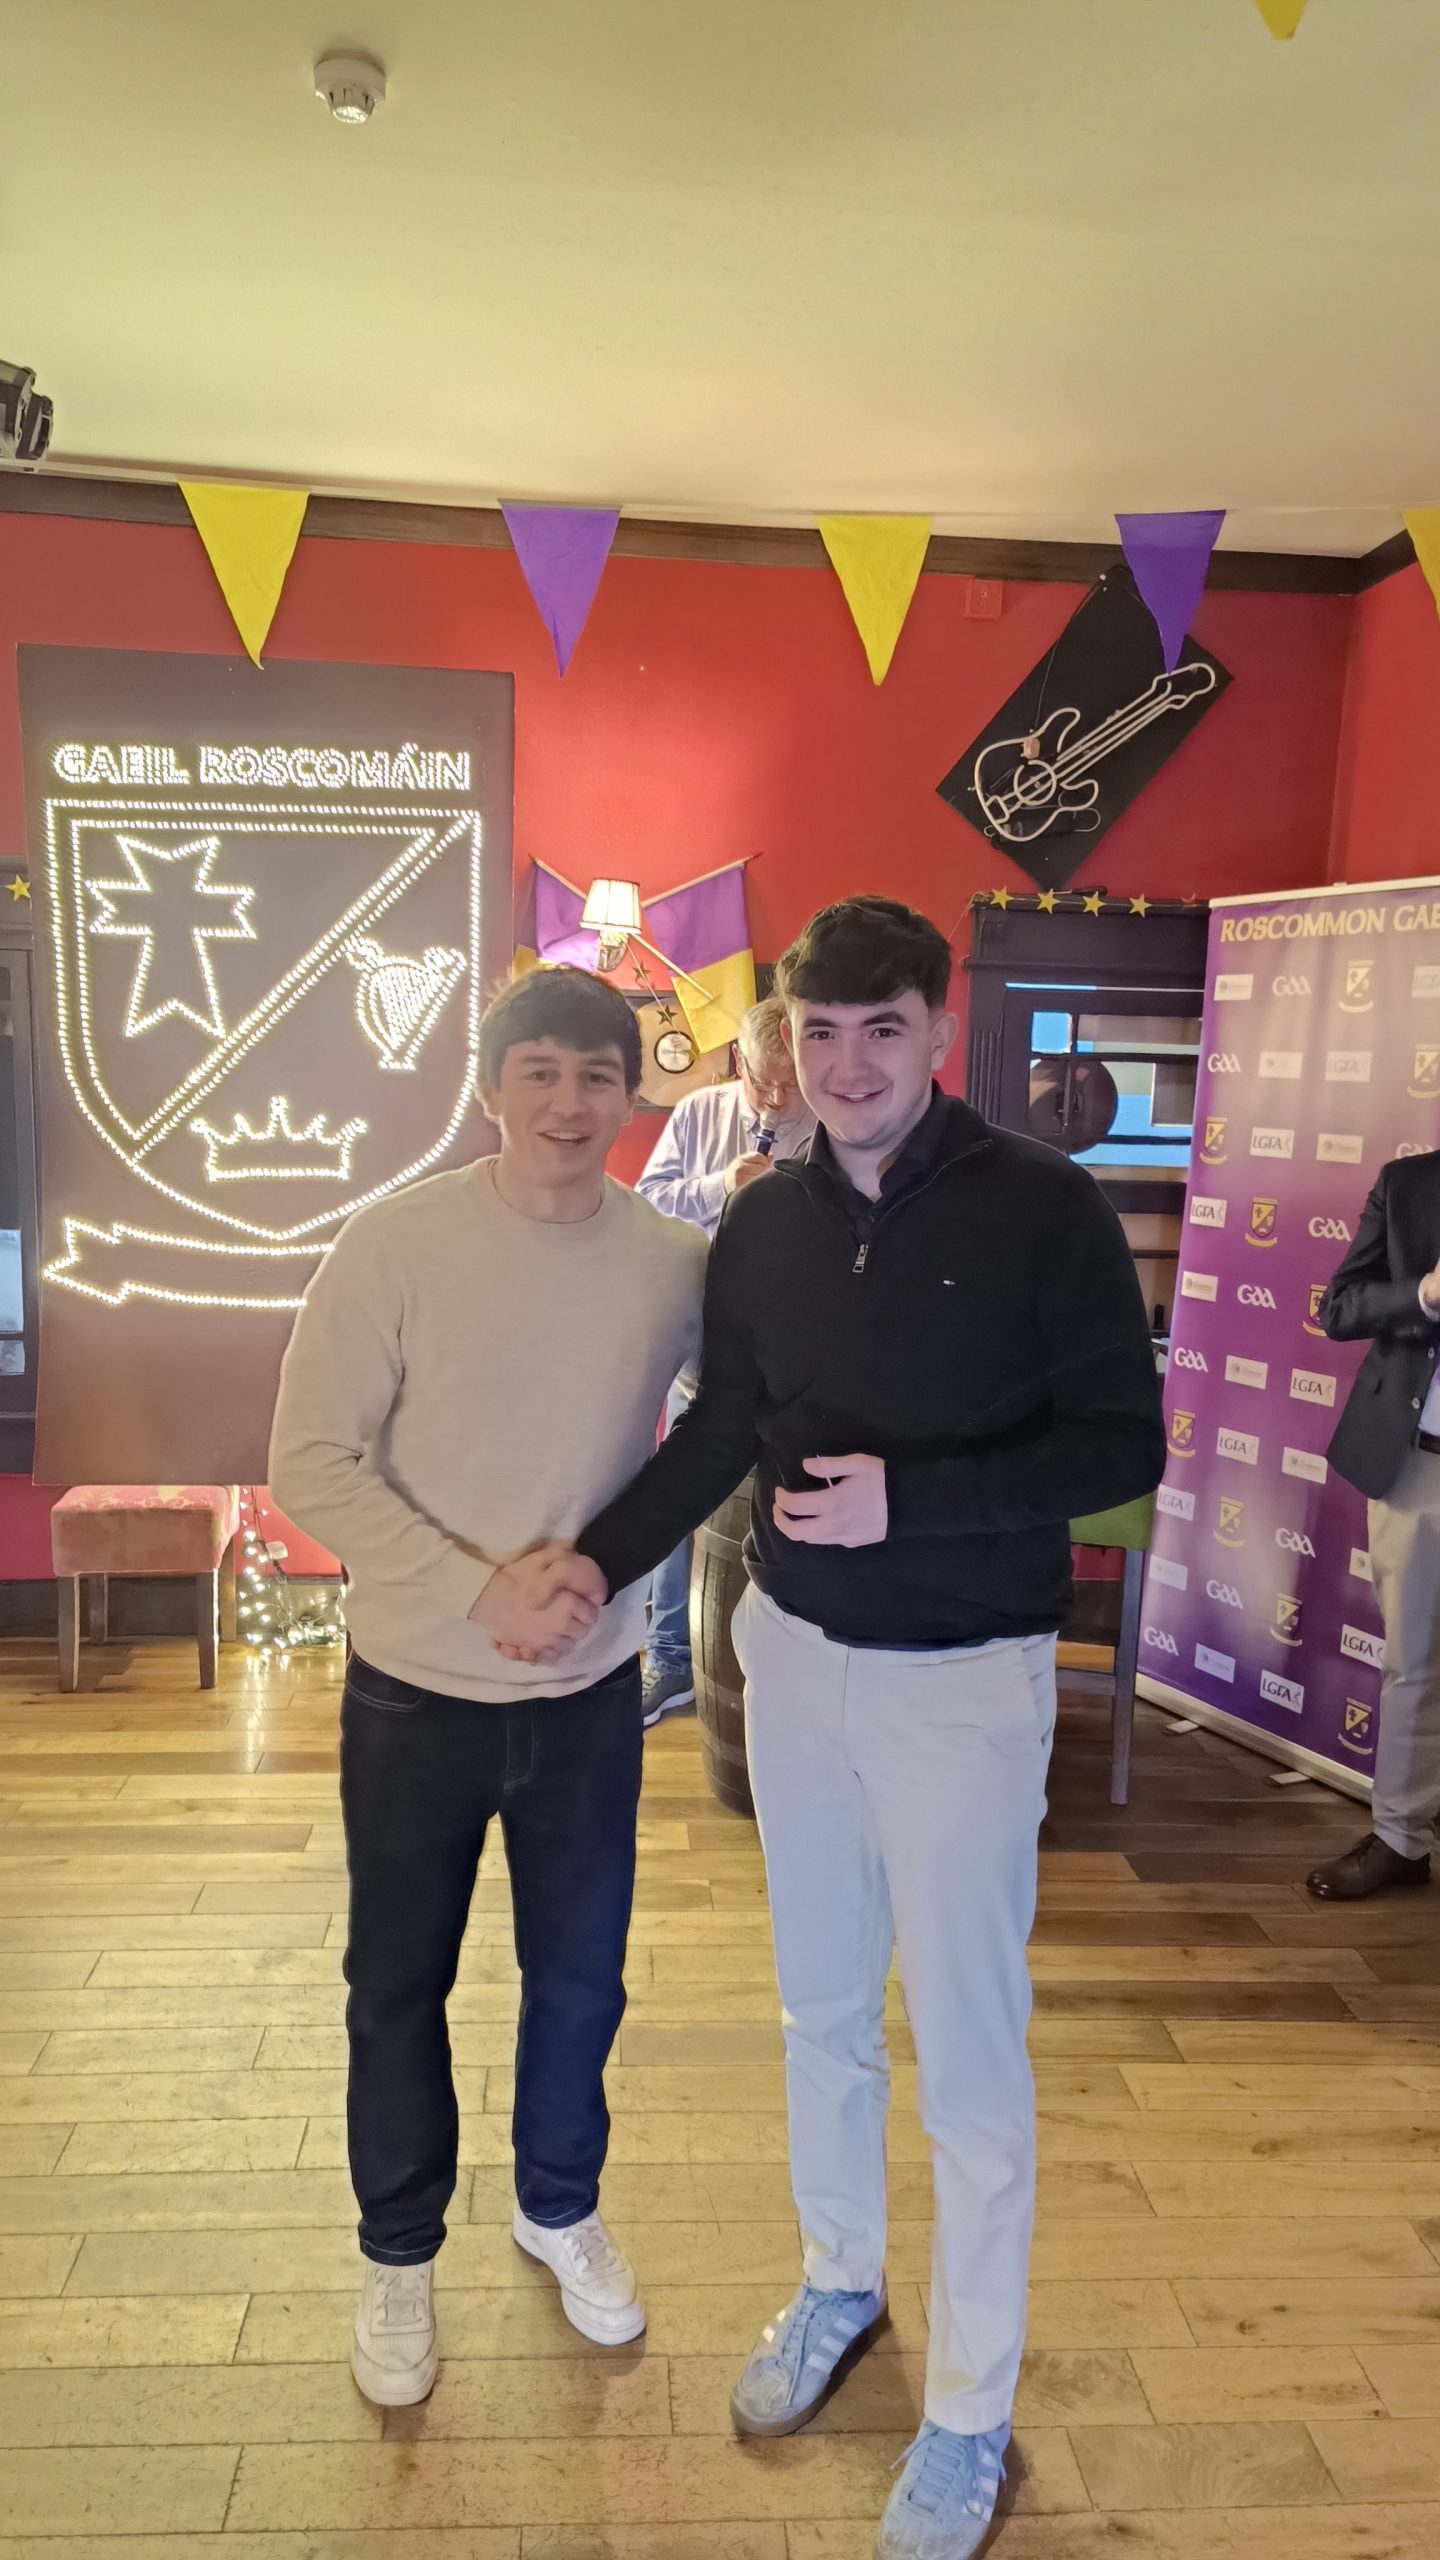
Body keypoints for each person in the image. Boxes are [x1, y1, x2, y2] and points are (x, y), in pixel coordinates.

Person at [509, 897, 1164, 2560]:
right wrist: (595, 1563)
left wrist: (912, 1503)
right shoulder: (762, 1224)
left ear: (939, 1027)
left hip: (966, 1681)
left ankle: (971, 2416)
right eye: (821, 1030)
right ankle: (842, 2284)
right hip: (789, 1660)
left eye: (883, 1028)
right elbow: (715, 1430)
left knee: (970, 2057)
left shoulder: (1046, 1210)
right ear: (785, 1039)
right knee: (820, 2015)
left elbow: (1121, 1448)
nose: (850, 1063)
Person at [268, 965, 702, 2407]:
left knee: (581, 1981)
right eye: (541, 1072)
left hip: (591, 1696)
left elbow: (729, 1425)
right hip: (416, 1692)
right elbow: (308, 1458)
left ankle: (557, 2206)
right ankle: (398, 2251)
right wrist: (479, 1586)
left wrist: (608, 1567)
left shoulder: (671, 1263)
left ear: (631, 1095)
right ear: (490, 1086)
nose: (569, 1103)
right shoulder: (395, 1243)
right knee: (398, 1984)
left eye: (597, 1076)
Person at [635, 994, 814, 1726]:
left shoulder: (834, 1123)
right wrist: (720, 1187)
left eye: (789, 1084)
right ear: (740, 1059)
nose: (775, 1099)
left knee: (785, 1500)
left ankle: (780, 1661)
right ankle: (669, 1656)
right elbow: (646, 1205)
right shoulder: (698, 1113)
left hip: (793, 1350)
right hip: (699, 1345)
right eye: (763, 1081)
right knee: (678, 1493)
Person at [1308, 1149, 1440, 1901]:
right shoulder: (1409, 1184)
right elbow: (1340, 1307)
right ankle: (1400, 1838)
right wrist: (1425, 1293)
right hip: (1417, 1465)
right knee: (1414, 1662)